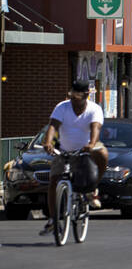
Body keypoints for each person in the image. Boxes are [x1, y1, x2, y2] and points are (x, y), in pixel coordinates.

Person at [39, 80, 108, 236]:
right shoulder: (62, 107)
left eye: (77, 97)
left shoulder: (94, 109)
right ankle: (53, 220)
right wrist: (48, 142)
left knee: (103, 154)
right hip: (65, 150)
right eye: (72, 96)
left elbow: (95, 128)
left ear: (86, 95)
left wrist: (91, 144)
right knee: (53, 181)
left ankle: (93, 188)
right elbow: (53, 126)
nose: (74, 100)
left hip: (86, 149)